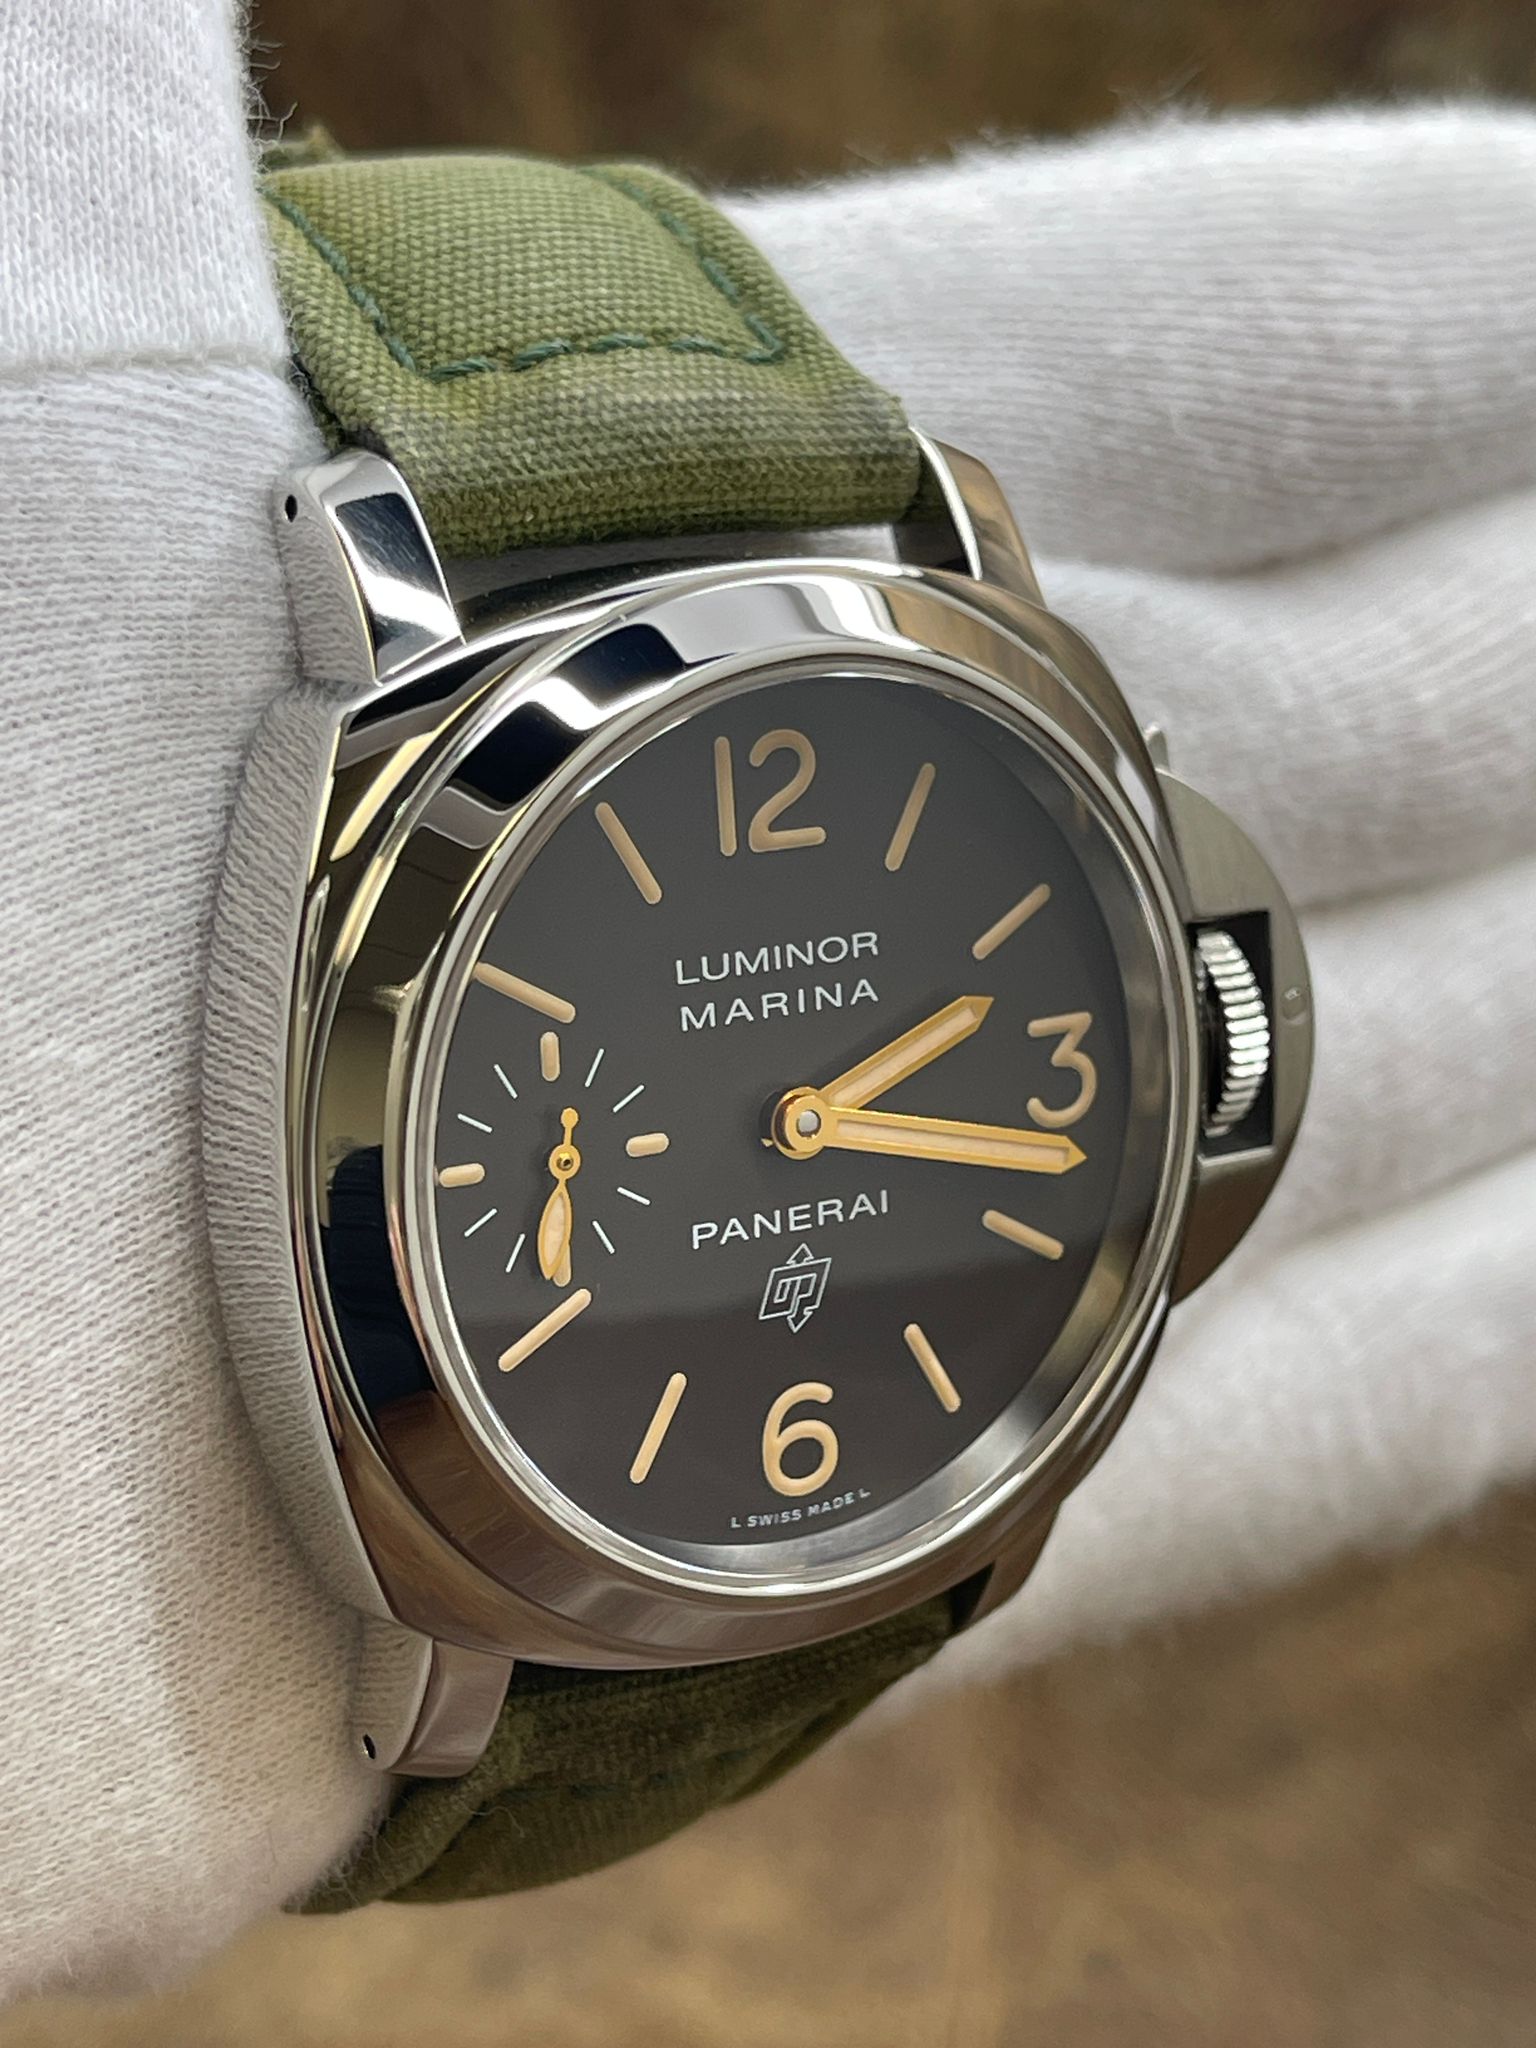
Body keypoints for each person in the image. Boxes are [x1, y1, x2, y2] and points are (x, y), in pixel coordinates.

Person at [1, 0, 1533, 2000]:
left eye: (816, 1115)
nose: (801, 1118)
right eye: (808, 1116)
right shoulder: (396, 598)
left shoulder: (925, 604)